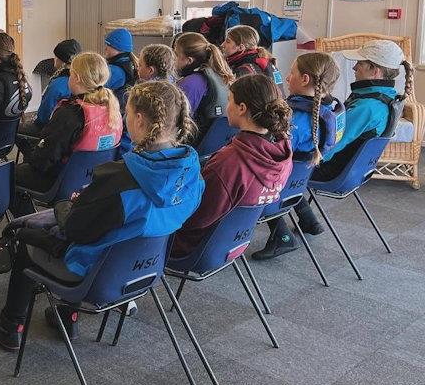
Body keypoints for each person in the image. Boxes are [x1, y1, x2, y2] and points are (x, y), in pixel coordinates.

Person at [0, 80, 204, 350]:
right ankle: (66, 315)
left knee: (27, 239)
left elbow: (76, 230)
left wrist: (69, 205)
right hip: (145, 267)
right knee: (99, 231)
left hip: (97, 275)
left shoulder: (119, 179)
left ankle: (10, 327)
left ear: (141, 120)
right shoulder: (191, 171)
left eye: (128, 113)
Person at [288, 39, 414, 239]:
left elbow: (330, 148)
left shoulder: (367, 108)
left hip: (332, 171)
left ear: (375, 71)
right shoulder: (388, 100)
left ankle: (282, 236)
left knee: (269, 170)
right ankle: (308, 220)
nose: (355, 67)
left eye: (360, 64)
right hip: (354, 170)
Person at [171, 73, 293, 258]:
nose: (226, 107)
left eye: (229, 101)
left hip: (196, 247)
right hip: (233, 241)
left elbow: (196, 219)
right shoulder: (283, 151)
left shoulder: (229, 163)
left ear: (242, 108)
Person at [252, 52, 344, 259]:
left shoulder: (299, 119)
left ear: (305, 79)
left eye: (292, 72)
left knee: (253, 175)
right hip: (301, 175)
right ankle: (309, 220)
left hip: (281, 179)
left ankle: (282, 238)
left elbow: (274, 154)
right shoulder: (329, 107)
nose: (286, 78)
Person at [12, 52, 123, 216]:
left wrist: (29, 152)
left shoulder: (71, 113)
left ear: (77, 78)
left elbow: (44, 160)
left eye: (70, 74)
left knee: (7, 177)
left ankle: (22, 227)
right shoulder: (112, 110)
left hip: (59, 181)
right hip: (93, 181)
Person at [173, 32, 235, 142]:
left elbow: (175, 121)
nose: (173, 59)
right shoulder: (217, 73)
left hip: (195, 145)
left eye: (176, 55)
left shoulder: (192, 83)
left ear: (189, 60)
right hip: (217, 145)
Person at [119, 44, 177, 155]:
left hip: (135, 148)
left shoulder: (141, 95)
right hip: (166, 147)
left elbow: (127, 126)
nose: (137, 68)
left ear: (150, 70)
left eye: (140, 65)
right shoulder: (172, 91)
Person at [19, 39, 81, 137]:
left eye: (56, 56)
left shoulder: (57, 84)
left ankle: (34, 152)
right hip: (74, 129)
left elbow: (44, 116)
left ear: (61, 60)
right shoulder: (83, 80)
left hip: (52, 129)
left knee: (16, 130)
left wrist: (36, 121)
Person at [221, 25, 285, 96]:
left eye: (228, 42)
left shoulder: (243, 71)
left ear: (241, 48)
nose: (222, 45)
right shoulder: (262, 60)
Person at [103, 28, 138, 114]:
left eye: (108, 45)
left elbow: (94, 85)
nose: (105, 48)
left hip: (115, 112)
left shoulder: (115, 71)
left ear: (118, 48)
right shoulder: (130, 63)